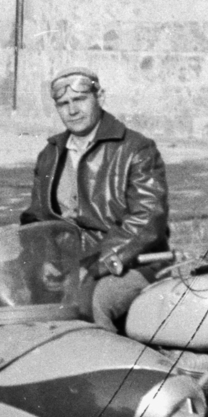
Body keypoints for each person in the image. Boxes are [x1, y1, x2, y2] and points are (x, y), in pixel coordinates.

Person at [21, 67, 169, 332]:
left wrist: (94, 266)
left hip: (131, 260)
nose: (72, 110)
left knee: (90, 301)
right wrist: (42, 259)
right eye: (63, 104)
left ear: (99, 96)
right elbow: (36, 219)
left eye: (79, 100)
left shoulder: (136, 148)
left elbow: (147, 221)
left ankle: (110, 370)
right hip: (68, 262)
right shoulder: (50, 153)